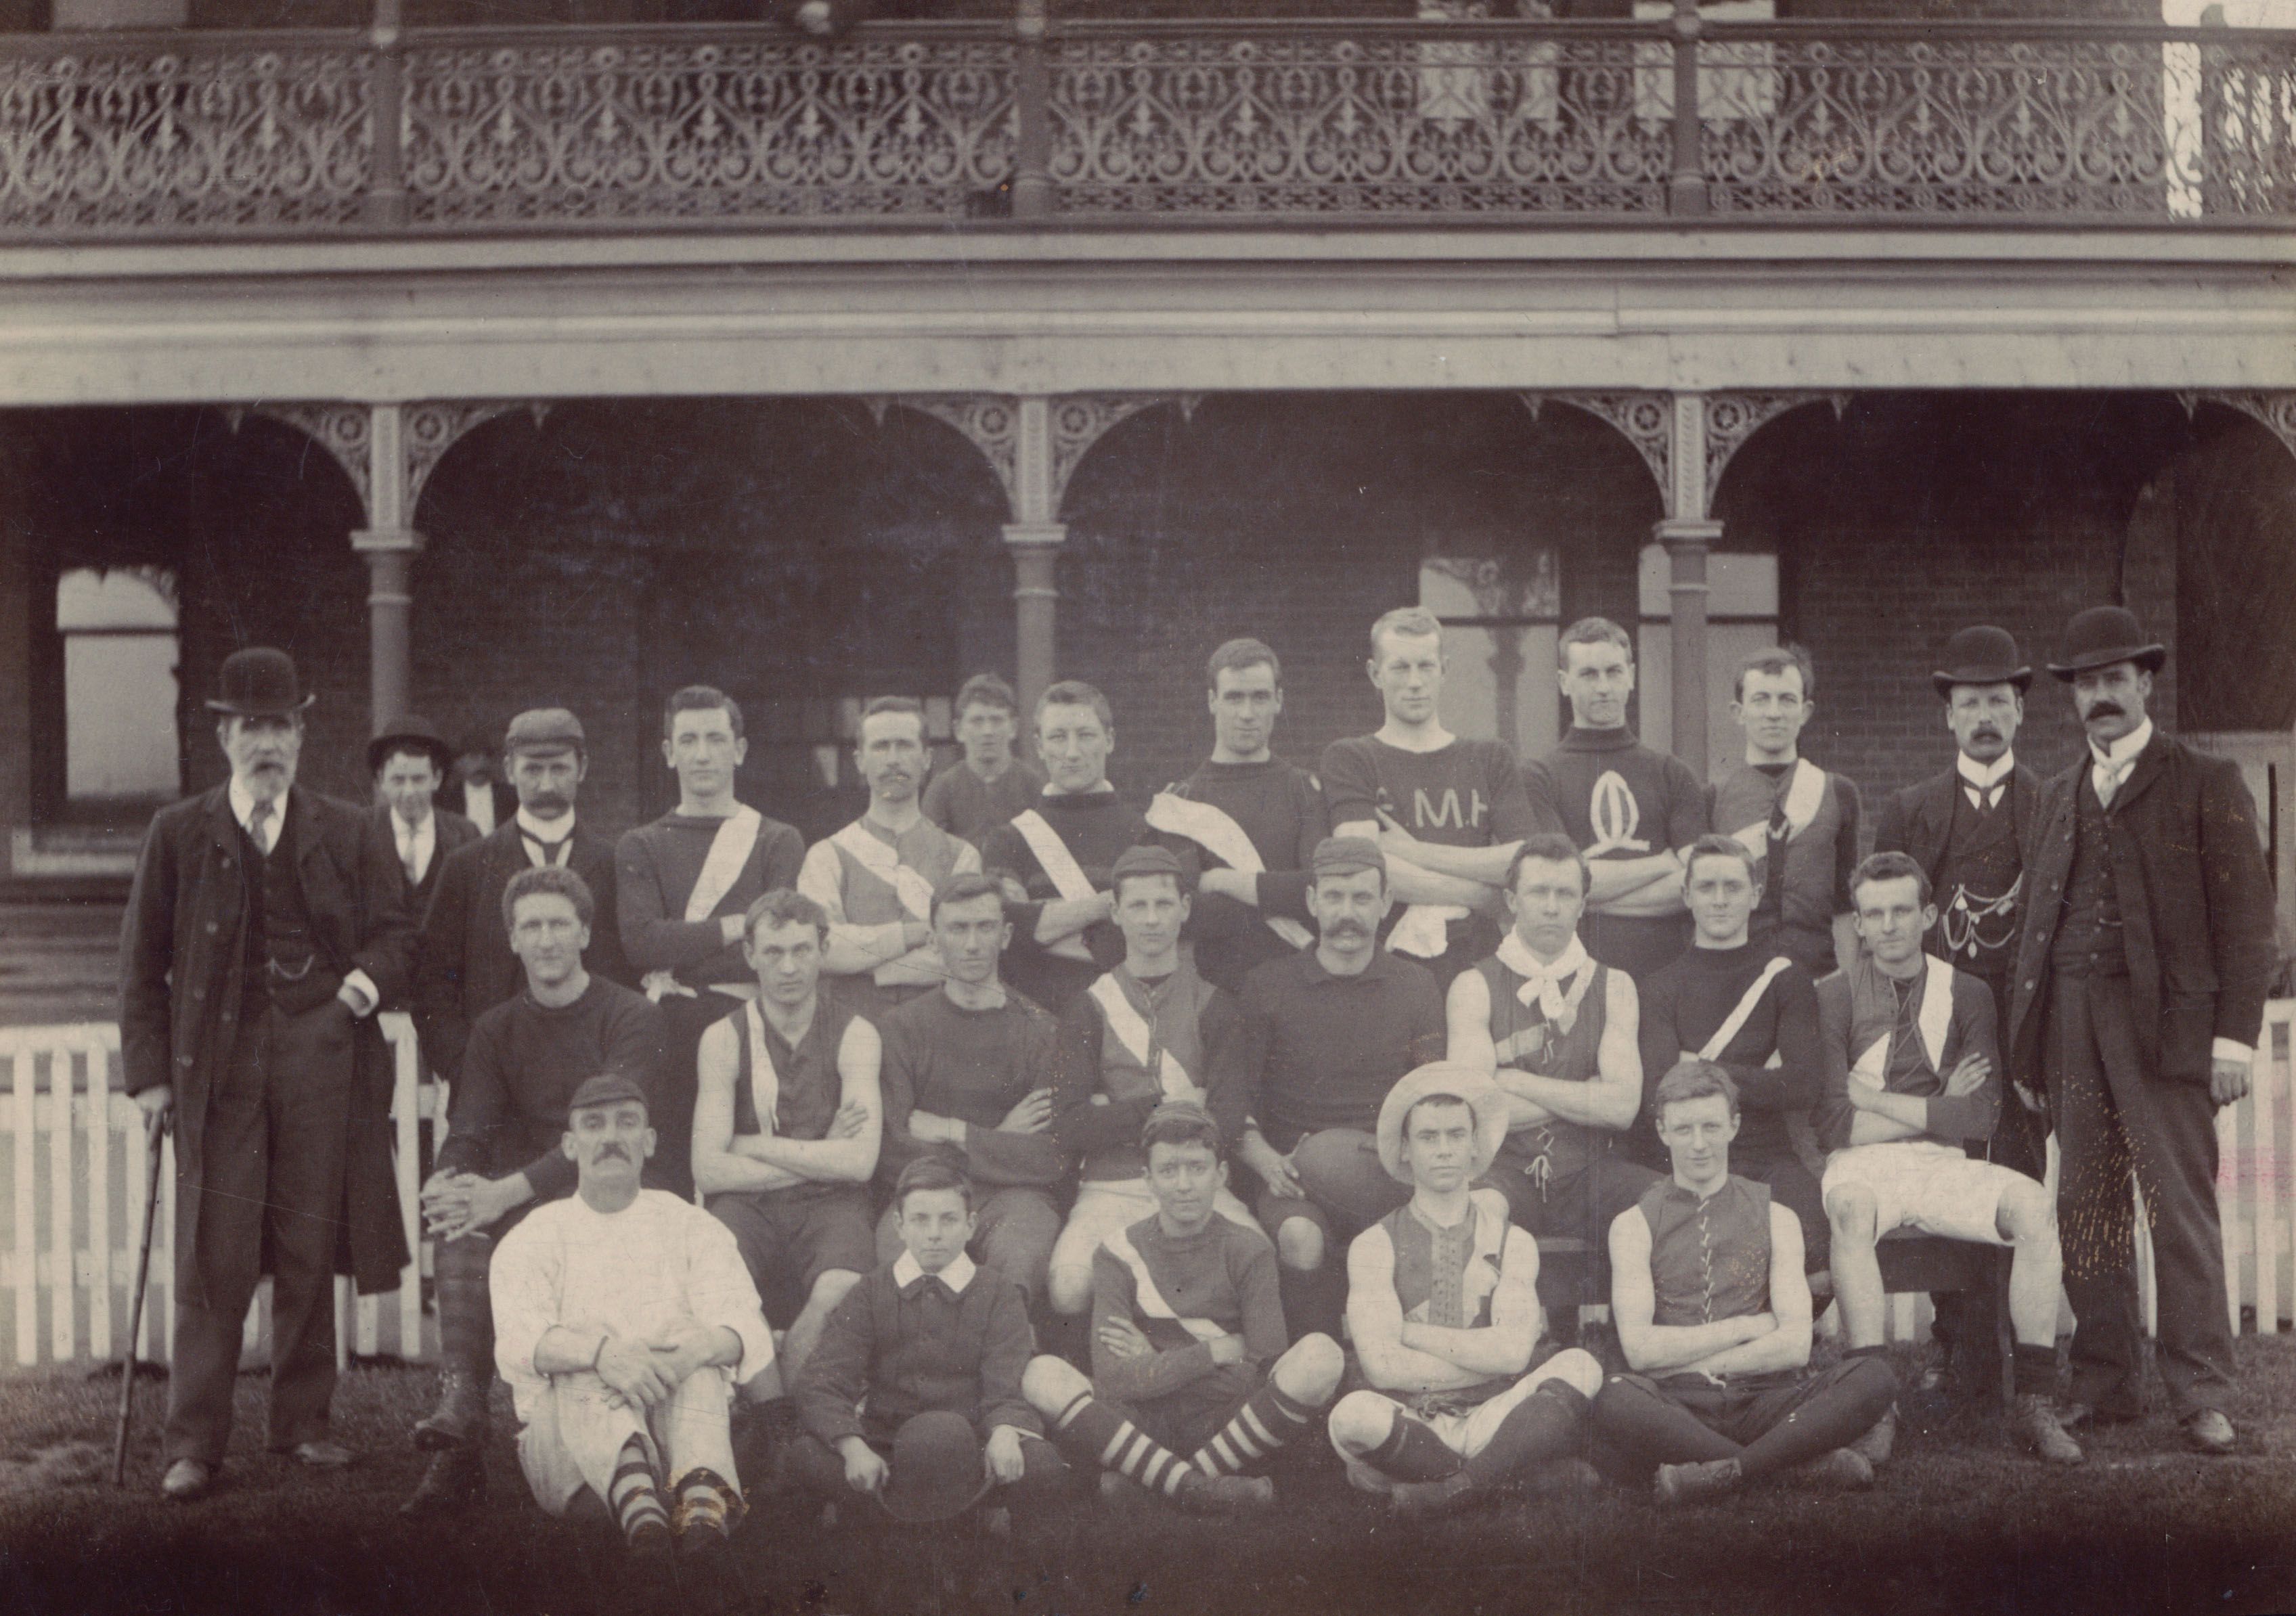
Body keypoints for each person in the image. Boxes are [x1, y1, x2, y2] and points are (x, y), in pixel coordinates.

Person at [120, 648, 415, 1502]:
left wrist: (358, 990)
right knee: (215, 1247)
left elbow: (397, 934)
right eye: (252, 725)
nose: (268, 742)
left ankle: (303, 1425)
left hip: (324, 1054)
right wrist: (151, 1080)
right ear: (223, 735)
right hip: (218, 1065)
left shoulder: (350, 827)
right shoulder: (178, 831)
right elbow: (141, 967)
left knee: (307, 1238)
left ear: (301, 734)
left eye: (281, 724)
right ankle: (193, 1444)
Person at [2005, 607, 2274, 1454]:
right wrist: (2031, 1048)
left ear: (2144, 683)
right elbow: (2038, 930)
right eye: (2085, 685)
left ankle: (2200, 1393)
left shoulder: (2203, 781)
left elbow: (2248, 923)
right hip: (2072, 1024)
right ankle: (2106, 1383)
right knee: (2086, 1206)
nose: (2099, 698)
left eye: (2113, 680)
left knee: (2178, 1207)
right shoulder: (2056, 793)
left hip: (2169, 1030)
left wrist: (2231, 1042)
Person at [401, 866, 669, 1517]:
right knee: (462, 1221)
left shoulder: (628, 1015)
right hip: (524, 1195)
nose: (546, 939)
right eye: (531, 927)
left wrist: (504, 1191)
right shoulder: (495, 1027)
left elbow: (608, 1137)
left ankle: (477, 1438)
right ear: (512, 941)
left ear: (583, 932)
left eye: (558, 924)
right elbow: (472, 1125)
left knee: (492, 1207)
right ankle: (461, 1421)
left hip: (609, 1188)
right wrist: (451, 1178)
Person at [1815, 853, 2083, 1465]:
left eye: (1901, 911)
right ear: (1857, 923)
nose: (1888, 926)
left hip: (1941, 1163)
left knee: (2034, 1208)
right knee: (1852, 1211)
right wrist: (1939, 1099)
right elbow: (1835, 1121)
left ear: (1929, 914)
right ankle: (1873, 1405)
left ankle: (2034, 1401)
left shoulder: (1966, 992)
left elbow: (1980, 1117)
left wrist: (1881, 1101)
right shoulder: (1831, 996)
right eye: (1873, 914)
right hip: (1862, 1164)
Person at [489, 1073, 775, 1604]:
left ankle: (700, 1522)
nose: (611, 1137)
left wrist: (687, 1352)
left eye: (627, 1123)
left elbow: (745, 1330)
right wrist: (604, 1355)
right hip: (570, 1455)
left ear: (649, 1141)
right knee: (582, 1351)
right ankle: (647, 1524)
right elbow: (517, 1344)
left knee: (697, 1344)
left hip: (680, 1436)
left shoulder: (692, 1226)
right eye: (593, 1125)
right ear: (571, 1147)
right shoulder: (533, 1235)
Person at [1593, 1062, 1899, 1506]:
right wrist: (1745, 1329)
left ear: (1734, 1126)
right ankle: (1793, 1468)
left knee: (1874, 1376)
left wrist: (1696, 1360)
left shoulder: (1777, 1217)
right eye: (1684, 1130)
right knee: (1613, 1397)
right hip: (1680, 1407)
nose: (1699, 1144)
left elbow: (1794, 1346)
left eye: (1712, 1127)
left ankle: (1732, 1469)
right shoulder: (1633, 1225)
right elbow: (1640, 1351)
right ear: (1662, 1132)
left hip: (1765, 1400)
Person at [1871, 627, 2046, 1391]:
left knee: (2015, 1176)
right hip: (1936, 1030)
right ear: (1947, 716)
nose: (1983, 716)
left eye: (1997, 702)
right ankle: (1959, 1351)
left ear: (2018, 714)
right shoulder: (1908, 809)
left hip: (2021, 1026)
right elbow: (1884, 929)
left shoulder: (2050, 804)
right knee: (1944, 1174)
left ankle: (2017, 1347)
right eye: (1969, 702)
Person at [1019, 1102, 1344, 1512]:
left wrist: (1154, 1360)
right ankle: (1201, 1490)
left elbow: (1262, 1370)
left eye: (1197, 1167)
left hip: (1227, 1420)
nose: (1184, 1184)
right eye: (1169, 1171)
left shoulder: (1249, 1248)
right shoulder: (1117, 1253)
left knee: (1321, 1355)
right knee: (1040, 1374)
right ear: (1148, 1180)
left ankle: (1162, 1483)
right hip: (1141, 1420)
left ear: (1221, 1175)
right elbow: (1115, 1380)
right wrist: (1218, 1352)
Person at [1327, 1064, 1606, 1514]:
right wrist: (1484, 1357)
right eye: (1428, 1137)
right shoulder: (1375, 1243)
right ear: (1404, 1149)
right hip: (1411, 1419)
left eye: (1456, 1135)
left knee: (1581, 1366)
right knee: (1353, 1415)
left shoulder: (1510, 1240)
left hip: (1494, 1414)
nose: (1444, 1150)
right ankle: (1511, 1474)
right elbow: (1382, 1369)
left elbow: (1514, 1356)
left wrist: (1410, 1334)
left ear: (1475, 1145)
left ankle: (1452, 1488)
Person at [1216, 836, 1447, 1341]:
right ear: (1312, 902)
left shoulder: (1416, 985)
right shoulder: (1268, 984)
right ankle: (1314, 1369)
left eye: (1363, 898)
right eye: (1335, 897)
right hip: (1292, 1176)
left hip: (1385, 1171)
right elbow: (1230, 1094)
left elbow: (1433, 1090)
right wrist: (1265, 1162)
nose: (1348, 913)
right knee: (1299, 1237)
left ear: (1386, 903)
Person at [790, 1157, 1069, 1529]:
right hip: (886, 1448)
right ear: (899, 1226)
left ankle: (968, 1521)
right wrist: (854, 1448)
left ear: (970, 1226)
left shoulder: (998, 1292)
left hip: (969, 1446)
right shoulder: (870, 1291)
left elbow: (1007, 1386)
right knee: (806, 1454)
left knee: (1042, 1464)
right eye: (921, 1220)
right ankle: (888, 1517)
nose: (934, 1233)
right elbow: (823, 1380)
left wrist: (1004, 1431)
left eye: (949, 1219)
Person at [1444, 834, 1657, 1320]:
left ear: (1583, 904)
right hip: (1504, 1171)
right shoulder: (1474, 985)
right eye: (1539, 893)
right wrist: (1588, 1096)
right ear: (1513, 901)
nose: (1551, 907)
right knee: (1473, 1213)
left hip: (1590, 1172)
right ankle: (1485, 1353)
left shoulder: (1615, 985)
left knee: (1663, 1203)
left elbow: (1623, 1108)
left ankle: (1639, 1351)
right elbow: (1474, 1109)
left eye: (1565, 895)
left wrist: (1514, 1083)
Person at [1049, 846, 1256, 1320]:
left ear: (1184, 910)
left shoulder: (1216, 1006)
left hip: (1197, 1181)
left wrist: (1113, 1114)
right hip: (1110, 1185)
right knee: (1069, 1286)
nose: (1151, 919)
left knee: (1257, 1261)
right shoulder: (1087, 1006)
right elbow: (1070, 1126)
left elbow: (1225, 1121)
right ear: (1116, 912)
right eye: (1137, 906)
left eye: (1163, 905)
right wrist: (1170, 1104)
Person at [618, 686, 806, 1198]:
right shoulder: (641, 844)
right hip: (668, 1032)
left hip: (750, 1027)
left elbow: (774, 942)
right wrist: (735, 926)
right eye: (689, 740)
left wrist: (682, 944)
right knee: (668, 1177)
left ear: (739, 750)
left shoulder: (776, 840)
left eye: (716, 739)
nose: (702, 754)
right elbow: (641, 944)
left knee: (750, 1176)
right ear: (668, 752)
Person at [692, 889, 882, 1391]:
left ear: (823, 950)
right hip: (747, 1204)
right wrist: (823, 1152)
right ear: (751, 955)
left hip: (830, 1203)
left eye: (802, 950)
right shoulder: (724, 1037)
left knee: (841, 1286)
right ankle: (766, 1413)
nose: (789, 967)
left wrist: (750, 1144)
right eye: (774, 952)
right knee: (716, 1280)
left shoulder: (856, 1033)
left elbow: (860, 1163)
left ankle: (792, 1410)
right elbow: (707, 1170)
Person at [1631, 836, 1828, 1280]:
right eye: (1706, 887)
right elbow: (1658, 1095)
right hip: (1689, 1157)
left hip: (1767, 1154)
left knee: (1814, 1245)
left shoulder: (1786, 978)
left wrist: (1699, 1070)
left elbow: (1802, 1085)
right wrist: (1760, 1079)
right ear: (1686, 895)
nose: (1719, 900)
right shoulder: (1660, 987)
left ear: (1756, 895)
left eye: (1733, 887)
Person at [1327, 607, 1550, 990]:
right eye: (1400, 668)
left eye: (1426, 666)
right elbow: (1363, 869)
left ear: (1444, 670)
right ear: (1375, 674)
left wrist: (1412, 851)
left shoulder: (1489, 757)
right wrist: (1483, 894)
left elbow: (1525, 864)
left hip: (1480, 964)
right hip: (1384, 966)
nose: (1415, 682)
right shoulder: (1352, 757)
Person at [873, 872, 1067, 1306]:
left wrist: (955, 1131)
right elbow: (892, 1150)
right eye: (958, 928)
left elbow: (1051, 1156)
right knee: (899, 1258)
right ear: (934, 937)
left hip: (1016, 1199)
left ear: (1007, 935)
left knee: (1022, 1254)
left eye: (985, 927)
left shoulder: (1044, 1031)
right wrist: (1000, 1138)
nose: (973, 943)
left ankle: (1007, 1357)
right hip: (925, 1193)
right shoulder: (900, 1029)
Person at [416, 707, 629, 1092]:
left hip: (595, 1088)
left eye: (560, 769)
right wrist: (467, 1068)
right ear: (510, 770)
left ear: (582, 768)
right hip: (496, 1090)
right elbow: (431, 982)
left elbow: (630, 977)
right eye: (532, 769)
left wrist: (614, 1072)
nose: (546, 784)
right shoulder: (467, 867)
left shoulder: (615, 865)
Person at [1522, 619, 1706, 979]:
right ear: (1564, 682)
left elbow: (1696, 885)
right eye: (1589, 674)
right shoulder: (1538, 777)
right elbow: (1555, 884)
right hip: (1573, 977)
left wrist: (1586, 898)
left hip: (1666, 977)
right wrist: (1662, 864)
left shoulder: (1672, 774)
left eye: (1614, 672)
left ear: (1632, 676)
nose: (1604, 687)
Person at [1146, 637, 1329, 993]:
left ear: (1278, 701)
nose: (1247, 713)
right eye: (1234, 698)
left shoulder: (1305, 790)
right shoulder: (1179, 801)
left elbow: (1319, 892)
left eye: (1260, 697)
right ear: (1213, 701)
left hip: (1299, 988)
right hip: (1214, 995)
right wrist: (1278, 892)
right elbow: (1181, 912)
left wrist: (1222, 882)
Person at [979, 680, 1161, 1014]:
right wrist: (1110, 904)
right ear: (1038, 746)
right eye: (1058, 737)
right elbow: (1007, 930)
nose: (1072, 752)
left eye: (1086, 735)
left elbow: (1156, 935)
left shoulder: (1146, 834)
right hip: (1037, 1021)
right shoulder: (1009, 840)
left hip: (1125, 1021)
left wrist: (1043, 925)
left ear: (1109, 740)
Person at [798, 696, 984, 1024]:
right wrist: (913, 934)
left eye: (905, 746)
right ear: (859, 760)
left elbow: (962, 954)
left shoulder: (961, 857)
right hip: (849, 1030)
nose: (894, 760)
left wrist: (871, 966)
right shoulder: (826, 855)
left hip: (939, 1030)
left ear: (927, 758)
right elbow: (823, 950)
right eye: (881, 747)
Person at [1706, 646, 1861, 978]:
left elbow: (1845, 904)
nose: (1774, 713)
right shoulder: (1714, 796)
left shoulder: (1837, 792)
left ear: (1805, 711)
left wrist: (1847, 986)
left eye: (1787, 700)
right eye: (1761, 699)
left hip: (1818, 972)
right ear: (1739, 711)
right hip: (1738, 975)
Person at [369, 713, 479, 941]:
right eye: (398, 780)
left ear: (436, 779)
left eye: (418, 779)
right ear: (381, 781)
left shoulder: (466, 834)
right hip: (382, 970)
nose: (409, 792)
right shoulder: (360, 832)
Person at [922, 673, 1045, 847]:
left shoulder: (1033, 786)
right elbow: (931, 854)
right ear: (959, 730)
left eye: (996, 720)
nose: (987, 731)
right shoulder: (942, 789)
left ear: (1013, 728)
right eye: (977, 721)